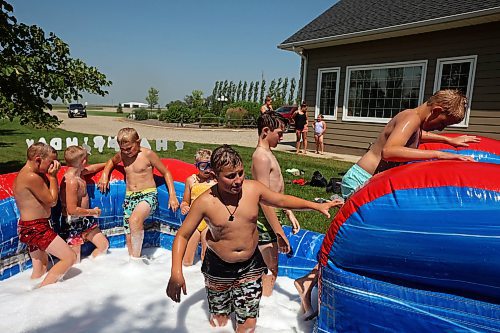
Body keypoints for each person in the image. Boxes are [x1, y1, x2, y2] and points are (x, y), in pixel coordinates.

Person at [295, 89, 480, 320]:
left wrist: (448, 141)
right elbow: (390, 150)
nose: (442, 128)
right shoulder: (411, 117)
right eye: (445, 123)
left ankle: (311, 282)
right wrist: (441, 155)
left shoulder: (413, 120)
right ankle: (312, 285)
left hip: (367, 180)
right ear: (437, 111)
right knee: (343, 241)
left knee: (350, 240)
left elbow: (418, 136)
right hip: (361, 181)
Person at [166, 145, 343, 333]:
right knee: (219, 322)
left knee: (248, 325)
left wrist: (316, 206)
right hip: (217, 267)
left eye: (240, 173)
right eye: (230, 176)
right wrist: (176, 272)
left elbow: (281, 200)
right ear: (215, 175)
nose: (238, 180)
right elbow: (183, 235)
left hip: (250, 267)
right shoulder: (205, 202)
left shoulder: (253, 190)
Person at [97, 128, 180, 259]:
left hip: (148, 195)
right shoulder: (123, 155)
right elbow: (111, 162)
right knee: (129, 237)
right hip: (129, 197)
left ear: (138, 142)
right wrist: (105, 175)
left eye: (129, 148)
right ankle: (134, 263)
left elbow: (166, 172)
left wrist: (173, 195)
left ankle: (136, 262)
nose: (126, 152)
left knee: (134, 220)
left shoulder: (148, 155)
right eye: (122, 149)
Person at [252, 111, 301, 297]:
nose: (281, 137)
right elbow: (264, 199)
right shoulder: (261, 157)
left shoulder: (267, 153)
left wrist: (288, 210)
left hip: (275, 214)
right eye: (279, 133)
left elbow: (276, 189)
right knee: (270, 269)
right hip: (265, 220)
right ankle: (264, 304)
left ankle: (264, 302)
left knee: (270, 267)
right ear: (266, 131)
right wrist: (279, 233)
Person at [14, 143, 76, 288]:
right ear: (37, 160)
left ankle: (30, 298)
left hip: (29, 227)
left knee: (41, 269)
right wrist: (53, 177)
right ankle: (42, 292)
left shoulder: (27, 173)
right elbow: (52, 201)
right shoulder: (30, 177)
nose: (53, 165)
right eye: (50, 162)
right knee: (69, 257)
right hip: (36, 228)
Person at [59, 146, 109, 263]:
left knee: (103, 246)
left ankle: (91, 269)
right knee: (74, 261)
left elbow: (92, 169)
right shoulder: (71, 181)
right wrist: (93, 212)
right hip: (73, 222)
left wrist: (109, 163)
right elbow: (71, 210)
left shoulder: (80, 173)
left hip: (85, 220)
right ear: (84, 161)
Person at [180, 148, 216, 266]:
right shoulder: (191, 181)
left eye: (210, 166)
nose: (207, 170)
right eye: (203, 166)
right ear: (196, 166)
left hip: (209, 222)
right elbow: (185, 201)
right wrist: (184, 206)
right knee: (187, 261)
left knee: (206, 259)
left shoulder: (215, 181)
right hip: (194, 221)